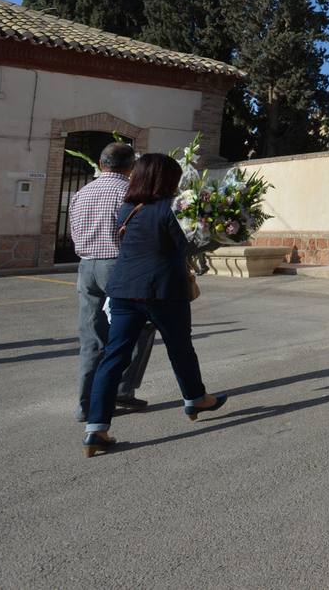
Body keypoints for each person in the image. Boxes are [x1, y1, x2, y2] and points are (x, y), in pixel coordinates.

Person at [82, 153, 227, 457]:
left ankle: (96, 428)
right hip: (163, 293)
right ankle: (195, 398)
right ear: (166, 180)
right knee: (180, 348)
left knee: (114, 357)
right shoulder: (170, 210)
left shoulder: (127, 209)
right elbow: (186, 246)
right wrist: (219, 233)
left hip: (123, 290)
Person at [68, 141, 156, 422]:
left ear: (101, 163)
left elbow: (73, 230)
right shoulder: (129, 193)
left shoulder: (82, 192)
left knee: (91, 336)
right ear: (131, 166)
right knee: (139, 328)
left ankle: (86, 405)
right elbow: (139, 236)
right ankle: (122, 389)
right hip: (118, 267)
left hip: (86, 267)